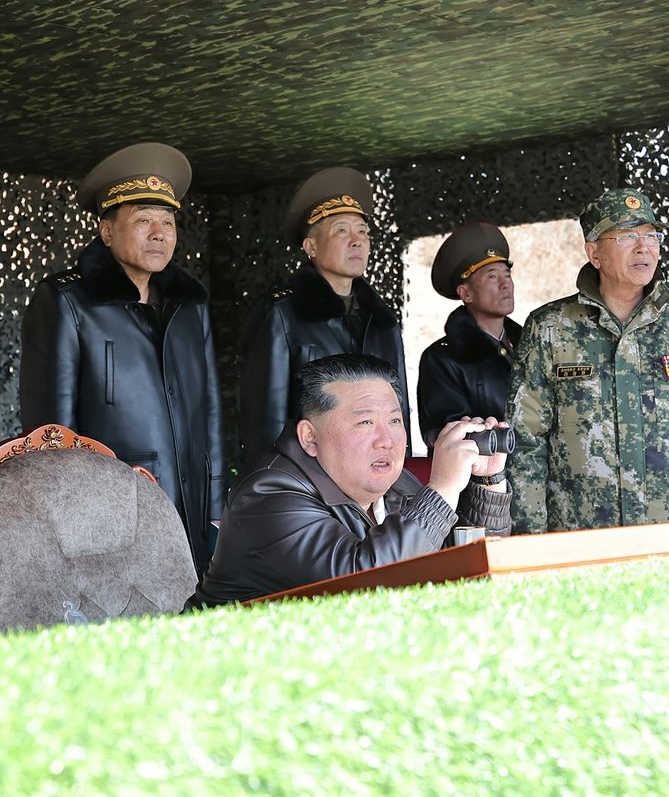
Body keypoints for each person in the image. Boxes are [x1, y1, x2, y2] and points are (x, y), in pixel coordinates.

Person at [19, 142, 224, 573]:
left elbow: (211, 415)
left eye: (167, 222)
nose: (158, 233)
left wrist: (218, 509)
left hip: (192, 506)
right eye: (143, 220)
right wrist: (69, 523)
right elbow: (50, 433)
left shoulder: (190, 305)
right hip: (113, 508)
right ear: (107, 231)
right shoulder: (68, 300)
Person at [507, 187, 669, 532]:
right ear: (594, 253)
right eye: (627, 237)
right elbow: (526, 441)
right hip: (583, 532)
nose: (644, 248)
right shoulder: (550, 328)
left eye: (652, 236)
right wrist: (529, 539)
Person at [190, 354, 511, 607]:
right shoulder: (267, 494)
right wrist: (442, 490)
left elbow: (467, 568)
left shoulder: (399, 486)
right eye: (366, 422)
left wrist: (488, 483)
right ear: (309, 437)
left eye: (395, 420)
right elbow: (363, 583)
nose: (386, 439)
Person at [238, 166, 409, 461]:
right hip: (308, 480)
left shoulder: (382, 320)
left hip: (374, 475)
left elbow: (399, 410)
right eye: (341, 231)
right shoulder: (282, 313)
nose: (357, 241)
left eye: (363, 232)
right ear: (311, 246)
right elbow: (265, 421)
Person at [418, 221, 522, 443]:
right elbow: (453, 435)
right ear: (465, 293)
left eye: (507, 274)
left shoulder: (532, 345)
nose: (505, 284)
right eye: (492, 276)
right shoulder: (442, 359)